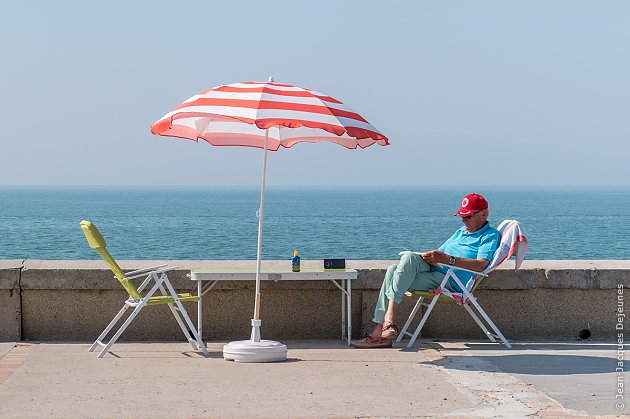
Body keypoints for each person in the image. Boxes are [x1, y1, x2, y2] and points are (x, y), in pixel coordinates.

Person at [351, 193, 501, 349]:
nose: (463, 220)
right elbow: (441, 252)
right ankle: (387, 326)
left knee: (393, 272)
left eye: (468, 216)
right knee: (403, 261)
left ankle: (381, 329)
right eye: (461, 216)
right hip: (435, 269)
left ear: (483, 213)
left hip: (450, 280)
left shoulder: (489, 235)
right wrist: (431, 256)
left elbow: (481, 265)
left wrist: (447, 259)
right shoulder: (460, 232)